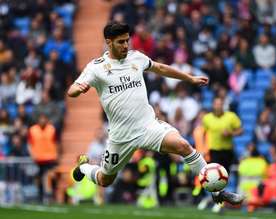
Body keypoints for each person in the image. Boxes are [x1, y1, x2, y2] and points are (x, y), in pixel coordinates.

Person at [67, 22, 244, 205]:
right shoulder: (96, 68)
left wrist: (189, 78)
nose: (126, 46)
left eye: (127, 41)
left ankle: (217, 191)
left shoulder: (136, 58)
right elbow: (71, 90)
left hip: (147, 126)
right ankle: (84, 167)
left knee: (183, 145)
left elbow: (160, 68)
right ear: (109, 42)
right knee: (105, 179)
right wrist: (78, 89)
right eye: (121, 42)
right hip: (121, 136)